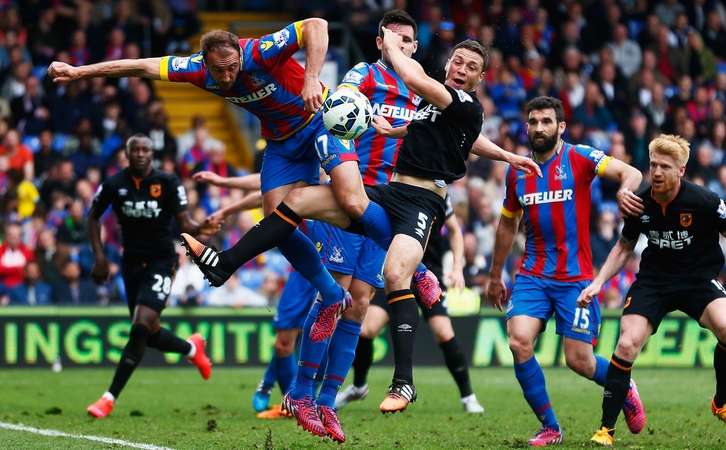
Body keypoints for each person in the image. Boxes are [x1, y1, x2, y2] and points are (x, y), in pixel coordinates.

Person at [182, 26, 538, 421]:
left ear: (478, 77)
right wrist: (502, 153)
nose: (461, 69)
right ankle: (225, 264)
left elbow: (419, 81)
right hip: (385, 192)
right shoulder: (417, 97)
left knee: (383, 282)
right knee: (297, 201)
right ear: (449, 62)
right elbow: (454, 135)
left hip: (422, 203)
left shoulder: (455, 98)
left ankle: (399, 381)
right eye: (457, 61)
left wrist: (392, 46)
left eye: (471, 66)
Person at [49, 17, 373, 352]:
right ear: (205, 65)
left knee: (352, 201)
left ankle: (405, 247)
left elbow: (316, 25)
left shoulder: (261, 51)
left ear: (239, 55)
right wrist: (78, 71)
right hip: (281, 144)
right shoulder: (194, 69)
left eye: (233, 67)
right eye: (220, 71)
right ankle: (334, 296)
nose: (228, 76)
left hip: (319, 121)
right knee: (279, 224)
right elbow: (141, 66)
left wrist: (311, 79)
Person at [578, 134, 726, 446]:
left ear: (681, 171)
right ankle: (606, 430)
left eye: (665, 166)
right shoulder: (641, 202)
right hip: (654, 282)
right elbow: (624, 246)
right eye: (653, 165)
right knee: (626, 344)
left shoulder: (705, 201)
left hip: (697, 280)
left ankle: (722, 404)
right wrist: (598, 282)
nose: (657, 172)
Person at [487, 96, 647, 446]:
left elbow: (632, 172)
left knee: (580, 362)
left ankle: (623, 383)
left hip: (575, 279)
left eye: (546, 121)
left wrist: (623, 190)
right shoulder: (518, 171)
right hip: (532, 275)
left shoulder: (579, 157)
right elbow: (506, 225)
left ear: (560, 127)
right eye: (533, 122)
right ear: (527, 127)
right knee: (518, 342)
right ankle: (550, 427)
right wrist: (495, 274)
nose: (539, 128)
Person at [85, 135, 219, 419]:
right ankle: (191, 348)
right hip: (130, 264)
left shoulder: (168, 182)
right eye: (136, 149)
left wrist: (202, 228)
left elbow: (184, 222)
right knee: (149, 332)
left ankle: (108, 398)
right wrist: (99, 257)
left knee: (140, 327)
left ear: (152, 154)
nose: (142, 154)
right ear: (128, 153)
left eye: (146, 149)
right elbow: (92, 217)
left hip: (161, 261)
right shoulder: (114, 184)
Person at [336, 194, 485, 414]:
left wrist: (456, 269)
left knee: (444, 333)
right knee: (366, 330)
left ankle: (468, 396)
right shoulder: (393, 192)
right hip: (396, 277)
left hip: (428, 278)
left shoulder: (438, 195)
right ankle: (358, 387)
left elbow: (455, 231)